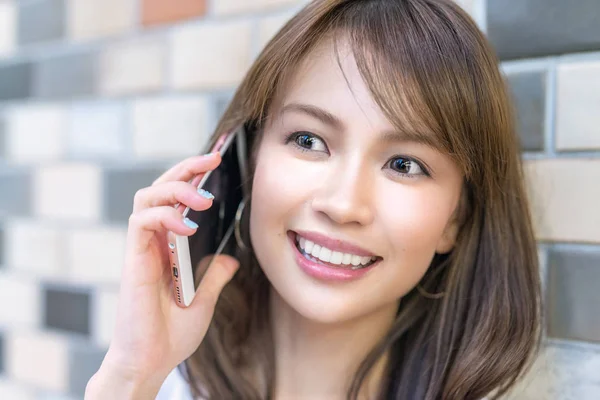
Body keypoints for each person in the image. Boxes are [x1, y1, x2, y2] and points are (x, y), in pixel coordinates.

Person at [85, 0, 542, 398]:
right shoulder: (157, 388)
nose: (343, 205)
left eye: (404, 164)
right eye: (308, 139)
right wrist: (131, 376)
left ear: (455, 219)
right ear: (247, 159)